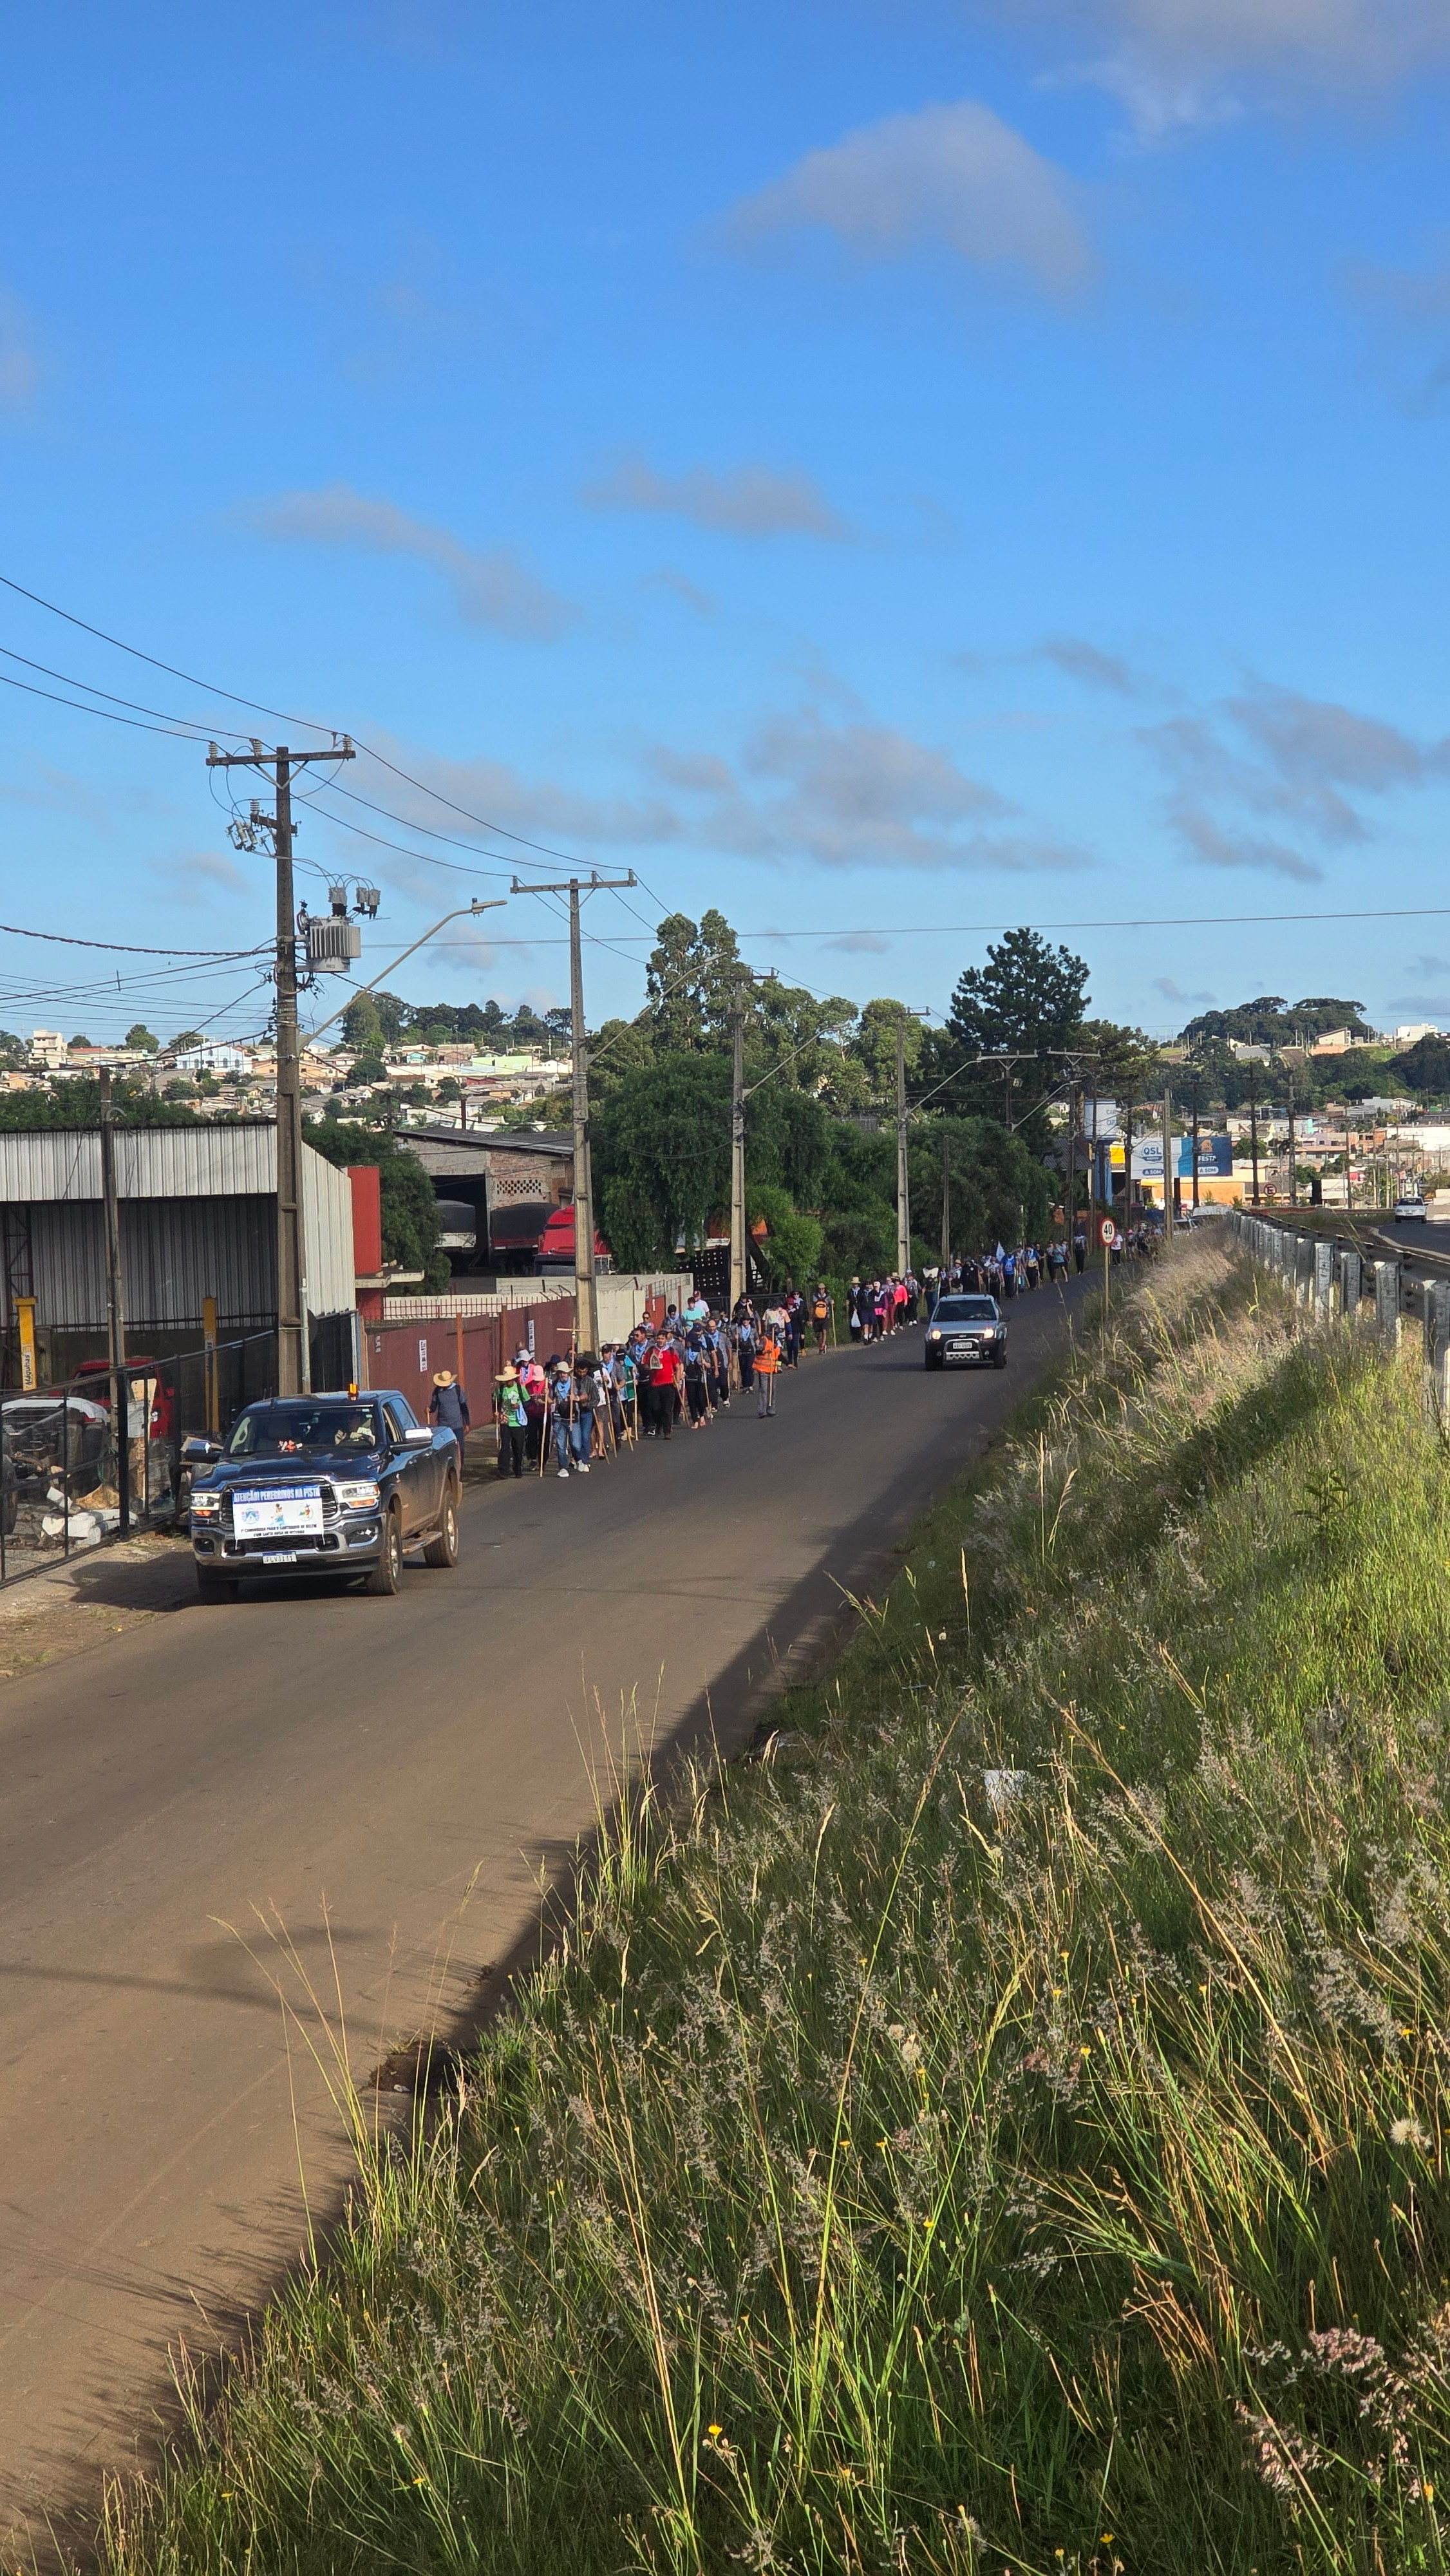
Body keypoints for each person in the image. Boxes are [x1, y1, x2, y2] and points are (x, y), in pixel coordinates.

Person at [549, 1358, 589, 1476]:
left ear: (569, 1373)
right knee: (561, 1445)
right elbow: (550, 1400)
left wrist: (576, 1398)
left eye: (565, 1372)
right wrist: (545, 1395)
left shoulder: (575, 1383)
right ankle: (563, 1467)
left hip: (573, 1418)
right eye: (561, 1373)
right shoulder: (555, 1385)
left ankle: (579, 1459)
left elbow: (585, 1396)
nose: (563, 1375)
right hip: (559, 1419)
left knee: (576, 1444)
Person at [493, 1365, 528, 1479]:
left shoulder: (520, 1388)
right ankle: (504, 1470)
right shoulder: (501, 1390)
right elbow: (495, 1402)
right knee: (505, 1446)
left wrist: (519, 1406)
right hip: (506, 1421)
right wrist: (497, 1412)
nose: (507, 1382)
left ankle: (518, 1468)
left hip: (518, 1422)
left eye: (509, 1379)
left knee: (518, 1446)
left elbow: (528, 1403)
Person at [429, 1368, 470, 1446]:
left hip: (457, 1424)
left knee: (459, 1448)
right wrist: (429, 1409)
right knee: (446, 1447)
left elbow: (464, 1407)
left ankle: (460, 1458)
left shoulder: (458, 1390)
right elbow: (434, 1406)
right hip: (443, 1425)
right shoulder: (437, 1391)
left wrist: (467, 1423)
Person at [755, 1317, 782, 1417]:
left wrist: (788, 1363)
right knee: (763, 1390)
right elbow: (758, 1351)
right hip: (763, 1370)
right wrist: (765, 1351)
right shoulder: (765, 1340)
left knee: (773, 1391)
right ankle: (762, 1411)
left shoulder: (777, 1342)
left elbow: (779, 1356)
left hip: (773, 1370)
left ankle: (771, 1410)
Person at [809, 1282, 832, 1354]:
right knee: (817, 1334)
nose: (821, 1290)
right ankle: (820, 1345)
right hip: (817, 1317)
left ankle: (823, 1345)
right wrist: (811, 1319)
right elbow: (812, 1308)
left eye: (822, 1289)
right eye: (820, 1289)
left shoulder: (828, 1297)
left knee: (824, 1331)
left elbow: (832, 1306)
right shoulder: (815, 1297)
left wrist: (832, 1304)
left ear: (825, 1289)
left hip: (825, 1317)